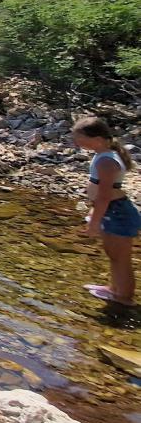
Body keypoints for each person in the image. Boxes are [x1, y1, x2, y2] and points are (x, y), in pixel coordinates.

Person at [73, 116, 139, 305]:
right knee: (114, 255)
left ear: (98, 139)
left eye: (79, 138)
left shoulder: (106, 162)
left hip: (117, 212)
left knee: (121, 259)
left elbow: (104, 196)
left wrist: (94, 222)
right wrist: (94, 214)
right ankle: (114, 289)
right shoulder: (103, 155)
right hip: (113, 211)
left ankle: (124, 298)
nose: (76, 142)